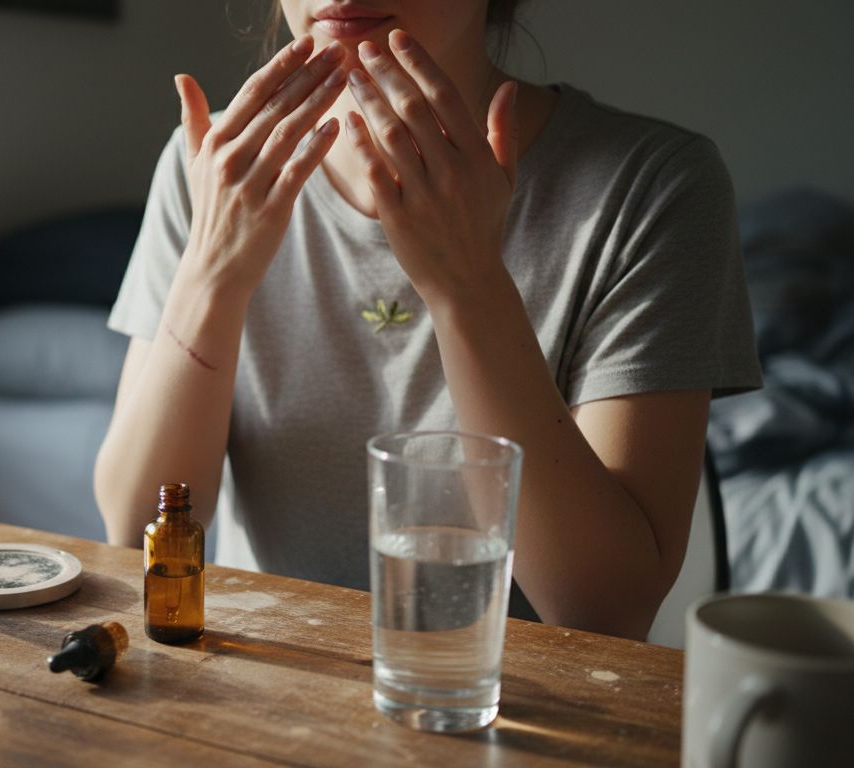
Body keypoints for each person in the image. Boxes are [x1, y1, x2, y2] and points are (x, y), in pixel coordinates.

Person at [94, 0, 762, 640]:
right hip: (265, 685)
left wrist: (467, 286)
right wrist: (210, 274)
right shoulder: (212, 164)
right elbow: (131, 528)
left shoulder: (653, 186)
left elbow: (604, 611)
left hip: (503, 700)